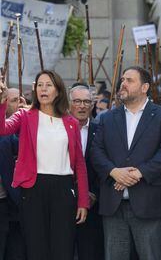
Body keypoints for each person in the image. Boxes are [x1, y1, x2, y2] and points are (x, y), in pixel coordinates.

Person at [0, 70, 89, 260]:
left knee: (63, 249)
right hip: (33, 189)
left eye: (48, 85)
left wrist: (83, 201)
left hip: (64, 190)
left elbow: (80, 165)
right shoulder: (25, 115)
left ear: (58, 90)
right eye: (39, 85)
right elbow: (3, 129)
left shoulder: (71, 122)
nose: (43, 89)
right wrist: (2, 103)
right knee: (36, 249)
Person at [91, 66, 161, 260]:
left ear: (144, 86)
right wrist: (114, 172)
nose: (123, 84)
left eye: (129, 80)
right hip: (113, 203)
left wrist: (137, 174)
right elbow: (96, 151)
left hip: (149, 202)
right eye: (123, 80)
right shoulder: (108, 118)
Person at [69, 85, 104, 260]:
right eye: (77, 101)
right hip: (62, 204)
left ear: (92, 105)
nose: (82, 106)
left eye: (86, 102)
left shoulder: (102, 131)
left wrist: (94, 194)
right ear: (69, 103)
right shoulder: (58, 129)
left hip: (93, 207)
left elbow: (106, 166)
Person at [0, 88, 26, 260]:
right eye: (13, 100)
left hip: (8, 202)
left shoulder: (12, 131)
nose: (17, 104)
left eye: (19, 99)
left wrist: (26, 117)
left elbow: (24, 145)